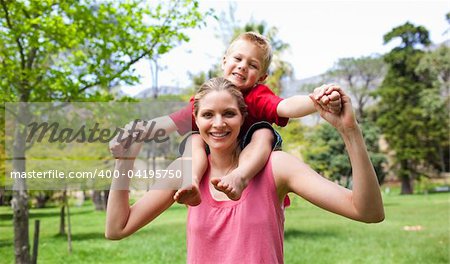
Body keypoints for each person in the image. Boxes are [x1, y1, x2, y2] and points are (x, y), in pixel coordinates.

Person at [106, 77, 384, 263]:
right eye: (207, 115)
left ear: (243, 117)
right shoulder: (186, 171)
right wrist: (125, 161)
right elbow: (117, 228)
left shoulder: (276, 167)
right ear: (196, 119)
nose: (218, 124)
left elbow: (368, 212)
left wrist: (350, 132)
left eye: (229, 113)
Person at [112, 32, 342, 206]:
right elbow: (170, 123)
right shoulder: (209, 99)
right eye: (238, 59)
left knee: (263, 133)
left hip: (251, 156)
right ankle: (191, 182)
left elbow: (285, 106)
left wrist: (315, 101)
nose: (242, 66)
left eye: (252, 65)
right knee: (195, 140)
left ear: (261, 77)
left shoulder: (258, 95)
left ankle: (240, 177)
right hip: (219, 154)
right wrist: (137, 131)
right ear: (224, 61)